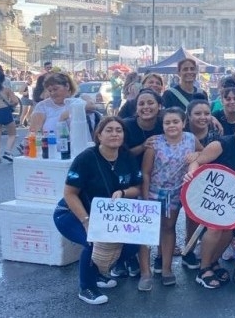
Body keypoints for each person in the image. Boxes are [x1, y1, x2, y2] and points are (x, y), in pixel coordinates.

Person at [53, 117, 142, 305]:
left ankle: (97, 274)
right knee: (92, 242)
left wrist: (123, 192)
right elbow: (69, 194)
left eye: (119, 130)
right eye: (109, 130)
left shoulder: (127, 157)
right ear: (99, 135)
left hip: (107, 217)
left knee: (133, 245)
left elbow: (138, 188)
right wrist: (86, 221)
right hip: (71, 213)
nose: (114, 134)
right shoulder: (86, 158)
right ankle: (86, 287)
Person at [185, 114, 235, 288]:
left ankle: (213, 262)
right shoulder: (222, 145)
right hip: (207, 194)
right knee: (214, 227)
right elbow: (196, 162)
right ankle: (203, 269)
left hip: (229, 199)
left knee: (229, 229)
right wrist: (190, 175)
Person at [137, 108, 201, 291]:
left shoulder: (190, 139)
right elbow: (146, 172)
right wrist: (146, 196)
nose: (172, 125)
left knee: (168, 227)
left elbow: (204, 154)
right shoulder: (155, 143)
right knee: (147, 231)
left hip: (177, 191)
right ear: (162, 125)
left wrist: (196, 155)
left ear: (183, 123)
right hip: (155, 191)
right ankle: (145, 272)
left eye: (175, 122)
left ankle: (166, 269)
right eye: (167, 122)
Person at [122, 89, 164, 165]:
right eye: (141, 104)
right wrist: (142, 147)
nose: (146, 107)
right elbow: (119, 155)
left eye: (150, 103)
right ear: (136, 108)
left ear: (159, 106)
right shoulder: (125, 126)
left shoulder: (165, 124)